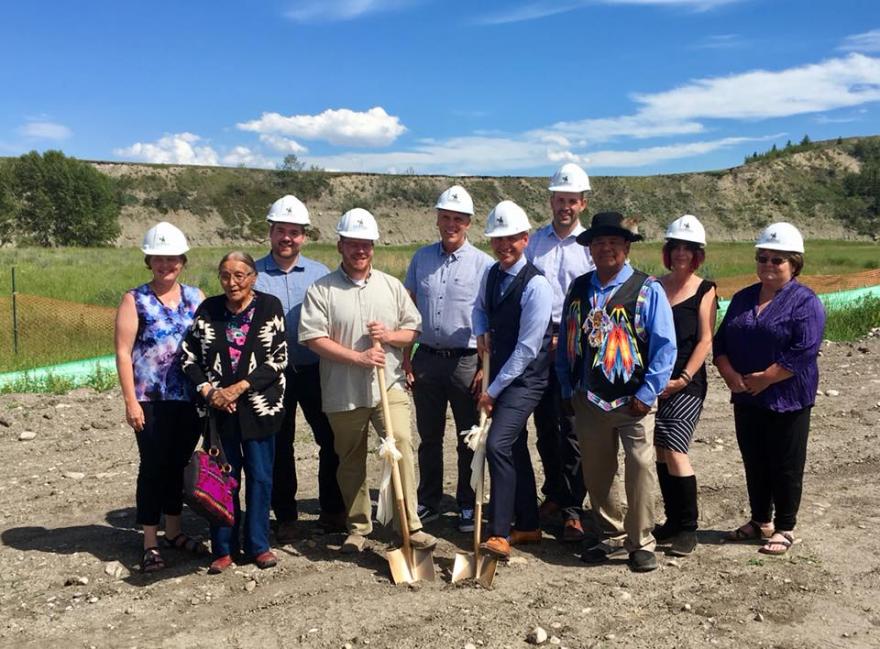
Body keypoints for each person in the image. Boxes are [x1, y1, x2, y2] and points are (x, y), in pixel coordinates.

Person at [298, 208, 437, 554]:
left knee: (401, 445)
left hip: (387, 386)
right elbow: (313, 338)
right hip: (342, 392)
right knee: (350, 459)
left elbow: (413, 329)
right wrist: (358, 357)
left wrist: (389, 335)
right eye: (353, 244)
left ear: (373, 247)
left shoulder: (390, 286)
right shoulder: (322, 290)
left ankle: (408, 524)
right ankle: (358, 527)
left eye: (367, 244)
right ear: (340, 246)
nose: (361, 250)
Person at [557, 211, 676, 573]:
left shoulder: (647, 288)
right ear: (590, 249)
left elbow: (664, 346)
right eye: (598, 243)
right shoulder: (579, 288)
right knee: (598, 470)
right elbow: (567, 340)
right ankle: (608, 534)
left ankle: (641, 540)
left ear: (626, 247)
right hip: (589, 398)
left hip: (634, 400)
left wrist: (648, 391)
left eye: (613, 242)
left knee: (640, 468)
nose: (605, 248)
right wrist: (568, 387)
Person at [713, 222, 824, 556]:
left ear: (794, 263)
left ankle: (785, 526)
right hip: (746, 395)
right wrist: (729, 373)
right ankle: (760, 519)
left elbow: (805, 349)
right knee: (755, 459)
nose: (768, 265)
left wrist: (767, 377)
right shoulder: (745, 297)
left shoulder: (805, 301)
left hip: (787, 396)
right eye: (763, 258)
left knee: (785, 463)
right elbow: (722, 340)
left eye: (777, 260)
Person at [181, 252, 287, 574]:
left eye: (240, 275)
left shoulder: (269, 307)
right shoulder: (208, 310)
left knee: (260, 476)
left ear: (254, 277)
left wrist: (240, 387)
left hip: (259, 408)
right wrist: (211, 392)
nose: (232, 282)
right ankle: (224, 548)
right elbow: (188, 357)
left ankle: (258, 544)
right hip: (218, 413)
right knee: (224, 480)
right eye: (226, 275)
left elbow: (278, 358)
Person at [114, 222, 205, 573]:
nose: (165, 265)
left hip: (188, 398)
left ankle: (174, 532)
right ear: (148, 262)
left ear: (182, 261)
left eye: (172, 259)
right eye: (158, 259)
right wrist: (130, 402)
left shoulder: (196, 298)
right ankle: (150, 541)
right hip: (149, 399)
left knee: (177, 466)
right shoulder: (134, 300)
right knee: (152, 467)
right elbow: (123, 352)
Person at [255, 194, 346, 542]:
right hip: (271, 375)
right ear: (271, 233)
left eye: (294, 232)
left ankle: (333, 510)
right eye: (281, 230)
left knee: (331, 439)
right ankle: (287, 516)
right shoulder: (256, 275)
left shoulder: (321, 275)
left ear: (304, 236)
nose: (287, 238)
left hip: (315, 371)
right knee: (280, 445)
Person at [403, 185, 493, 533]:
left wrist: (486, 369)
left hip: (466, 361)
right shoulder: (421, 258)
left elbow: (491, 320)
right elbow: (407, 309)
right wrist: (406, 360)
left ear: (468, 222)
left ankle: (468, 504)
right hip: (426, 357)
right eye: (446, 218)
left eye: (458, 219)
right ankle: (429, 500)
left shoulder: (484, 264)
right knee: (429, 436)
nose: (451, 224)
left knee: (469, 436)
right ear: (437, 220)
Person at [474, 201, 553, 561]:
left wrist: (491, 391)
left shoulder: (536, 285)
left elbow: (526, 349)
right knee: (515, 447)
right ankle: (529, 524)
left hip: (525, 381)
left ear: (525, 239)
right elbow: (479, 308)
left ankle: (500, 533)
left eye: (511, 239)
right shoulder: (491, 274)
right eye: (497, 239)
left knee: (498, 445)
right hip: (501, 374)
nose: (504, 245)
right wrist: (480, 333)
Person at [525, 162, 594, 542]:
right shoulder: (535, 242)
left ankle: (573, 508)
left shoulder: (589, 246)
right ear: (550, 200)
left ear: (582, 203)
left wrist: (570, 338)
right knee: (543, 427)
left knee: (572, 429)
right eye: (559, 199)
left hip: (575, 344)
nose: (564, 206)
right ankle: (553, 493)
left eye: (572, 200)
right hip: (537, 343)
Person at [653, 215, 717, 557]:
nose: (681, 253)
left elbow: (705, 340)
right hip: (656, 382)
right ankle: (672, 520)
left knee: (676, 449)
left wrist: (684, 378)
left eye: (688, 249)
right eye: (676, 247)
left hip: (687, 383)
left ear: (697, 255)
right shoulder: (654, 286)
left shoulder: (706, 289)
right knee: (661, 451)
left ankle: (688, 528)